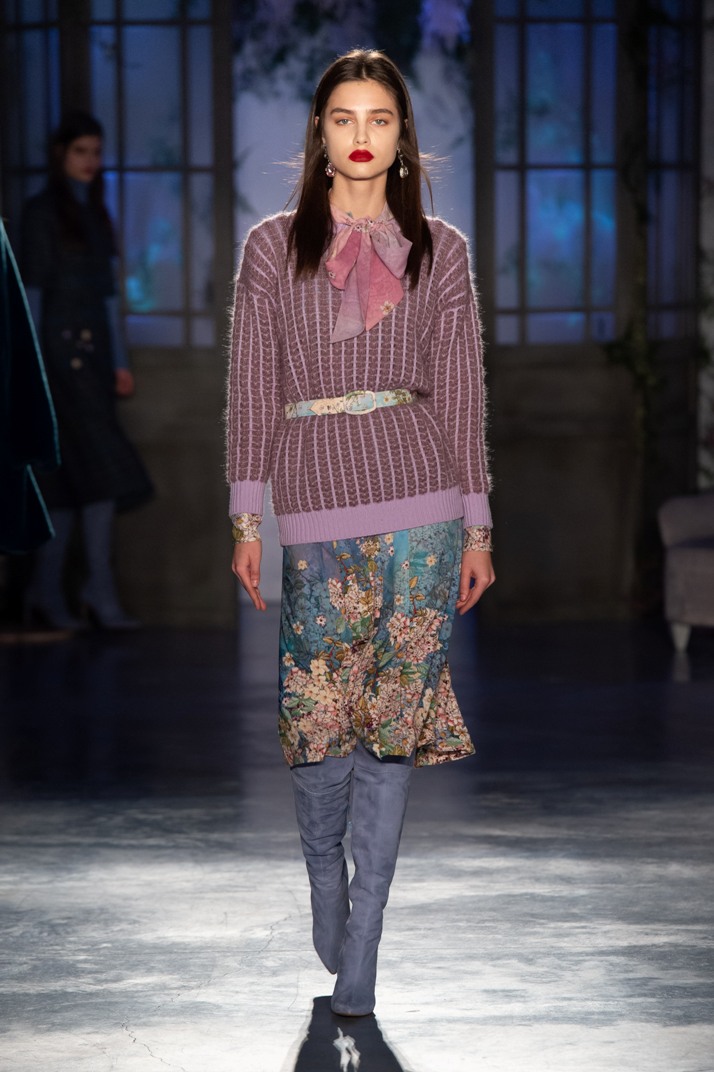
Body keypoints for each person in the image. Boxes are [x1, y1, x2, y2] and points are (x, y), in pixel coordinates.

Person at [226, 49, 494, 1016]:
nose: (362, 136)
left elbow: (461, 392)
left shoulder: (440, 249)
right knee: (317, 714)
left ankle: (366, 940)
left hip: (424, 498)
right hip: (315, 498)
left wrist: (478, 525)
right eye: (344, 118)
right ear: (320, 134)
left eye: (380, 118)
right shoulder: (272, 247)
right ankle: (322, 878)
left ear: (402, 136)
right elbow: (251, 385)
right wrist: (245, 517)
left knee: (393, 721)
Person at [20, 111, 152, 630]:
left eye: (96, 152)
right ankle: (62, 592)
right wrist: (30, 371)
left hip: (92, 363)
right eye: (81, 151)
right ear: (60, 154)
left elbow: (111, 296)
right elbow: (31, 295)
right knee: (75, 481)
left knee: (89, 480)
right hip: (55, 362)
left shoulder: (96, 212)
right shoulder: (40, 213)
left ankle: (71, 591)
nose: (91, 161)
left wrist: (119, 361)